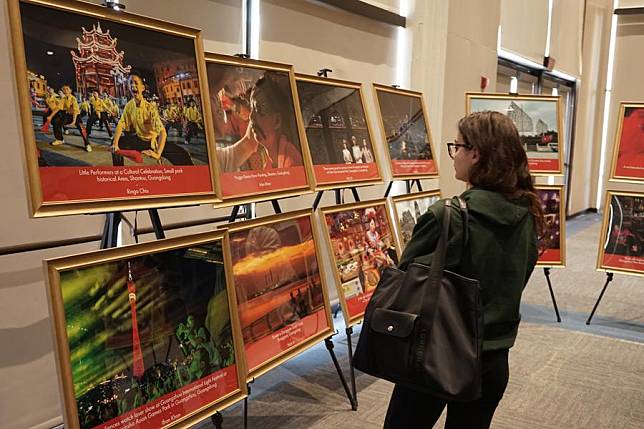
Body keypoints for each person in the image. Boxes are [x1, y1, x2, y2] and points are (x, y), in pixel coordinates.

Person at [383, 111, 544, 429]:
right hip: (494, 360)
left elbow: (406, 281)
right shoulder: (527, 212)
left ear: (476, 153)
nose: (453, 155)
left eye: (456, 146)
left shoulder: (448, 215)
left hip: (437, 353)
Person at [217, 75, 303, 172]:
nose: (251, 117)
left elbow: (248, 142)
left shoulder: (291, 163)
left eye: (258, 109)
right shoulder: (271, 161)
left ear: (277, 120)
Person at [112, 74, 193, 166]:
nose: (133, 85)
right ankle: (119, 171)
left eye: (135, 83)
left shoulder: (150, 108)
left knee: (183, 155)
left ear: (142, 88)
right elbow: (121, 124)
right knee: (116, 143)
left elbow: (162, 132)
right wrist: (115, 144)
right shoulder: (129, 106)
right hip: (139, 140)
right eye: (130, 83)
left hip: (153, 141)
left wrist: (157, 153)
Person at [49, 84, 91, 151]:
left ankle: (87, 144)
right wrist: (50, 116)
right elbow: (58, 108)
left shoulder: (73, 99)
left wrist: (74, 121)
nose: (65, 90)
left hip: (76, 116)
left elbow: (75, 111)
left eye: (67, 89)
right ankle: (59, 139)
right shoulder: (64, 99)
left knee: (82, 129)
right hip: (67, 115)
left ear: (70, 90)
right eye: (64, 89)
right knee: (56, 122)